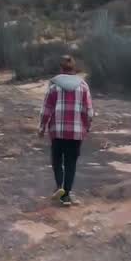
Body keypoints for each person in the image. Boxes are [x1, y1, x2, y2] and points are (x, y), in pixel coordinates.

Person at [38, 55, 93, 206]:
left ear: (61, 69)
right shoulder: (83, 86)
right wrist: (86, 128)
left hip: (57, 131)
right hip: (75, 133)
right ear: (74, 69)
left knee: (57, 161)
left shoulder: (54, 85)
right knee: (71, 163)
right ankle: (67, 194)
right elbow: (88, 111)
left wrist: (42, 127)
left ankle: (59, 186)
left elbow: (46, 110)